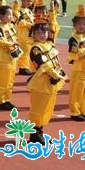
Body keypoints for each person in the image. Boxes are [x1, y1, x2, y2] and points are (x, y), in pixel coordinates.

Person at [28, 15, 67, 144]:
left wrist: (53, 12)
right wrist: (56, 75)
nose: (42, 34)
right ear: (33, 34)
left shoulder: (49, 44)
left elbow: (54, 28)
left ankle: (40, 132)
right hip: (41, 83)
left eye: (44, 31)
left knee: (47, 109)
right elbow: (44, 65)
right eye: (38, 32)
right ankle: (34, 135)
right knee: (38, 110)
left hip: (51, 83)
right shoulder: (35, 48)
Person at [0, 0, 20, 110]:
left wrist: (15, 5)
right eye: (8, 14)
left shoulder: (10, 26)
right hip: (2, 58)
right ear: (1, 16)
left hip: (11, 57)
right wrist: (11, 44)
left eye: (11, 14)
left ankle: (7, 99)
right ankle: (0, 101)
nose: (10, 16)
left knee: (10, 80)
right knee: (1, 81)